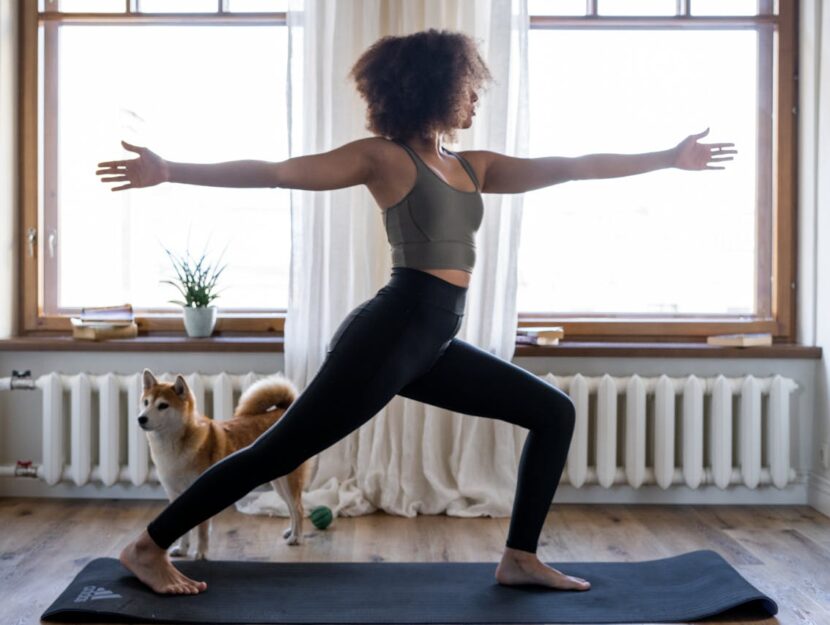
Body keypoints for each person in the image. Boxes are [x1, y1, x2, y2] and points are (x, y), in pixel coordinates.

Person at [96, 28, 735, 596]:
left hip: (431, 338)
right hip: (391, 331)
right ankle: (147, 548)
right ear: (434, 88)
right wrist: (171, 169)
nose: (476, 98)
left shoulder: (469, 165)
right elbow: (278, 172)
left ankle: (519, 557)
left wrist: (668, 158)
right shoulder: (384, 158)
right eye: (468, 87)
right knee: (276, 451)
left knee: (552, 411)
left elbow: (570, 167)